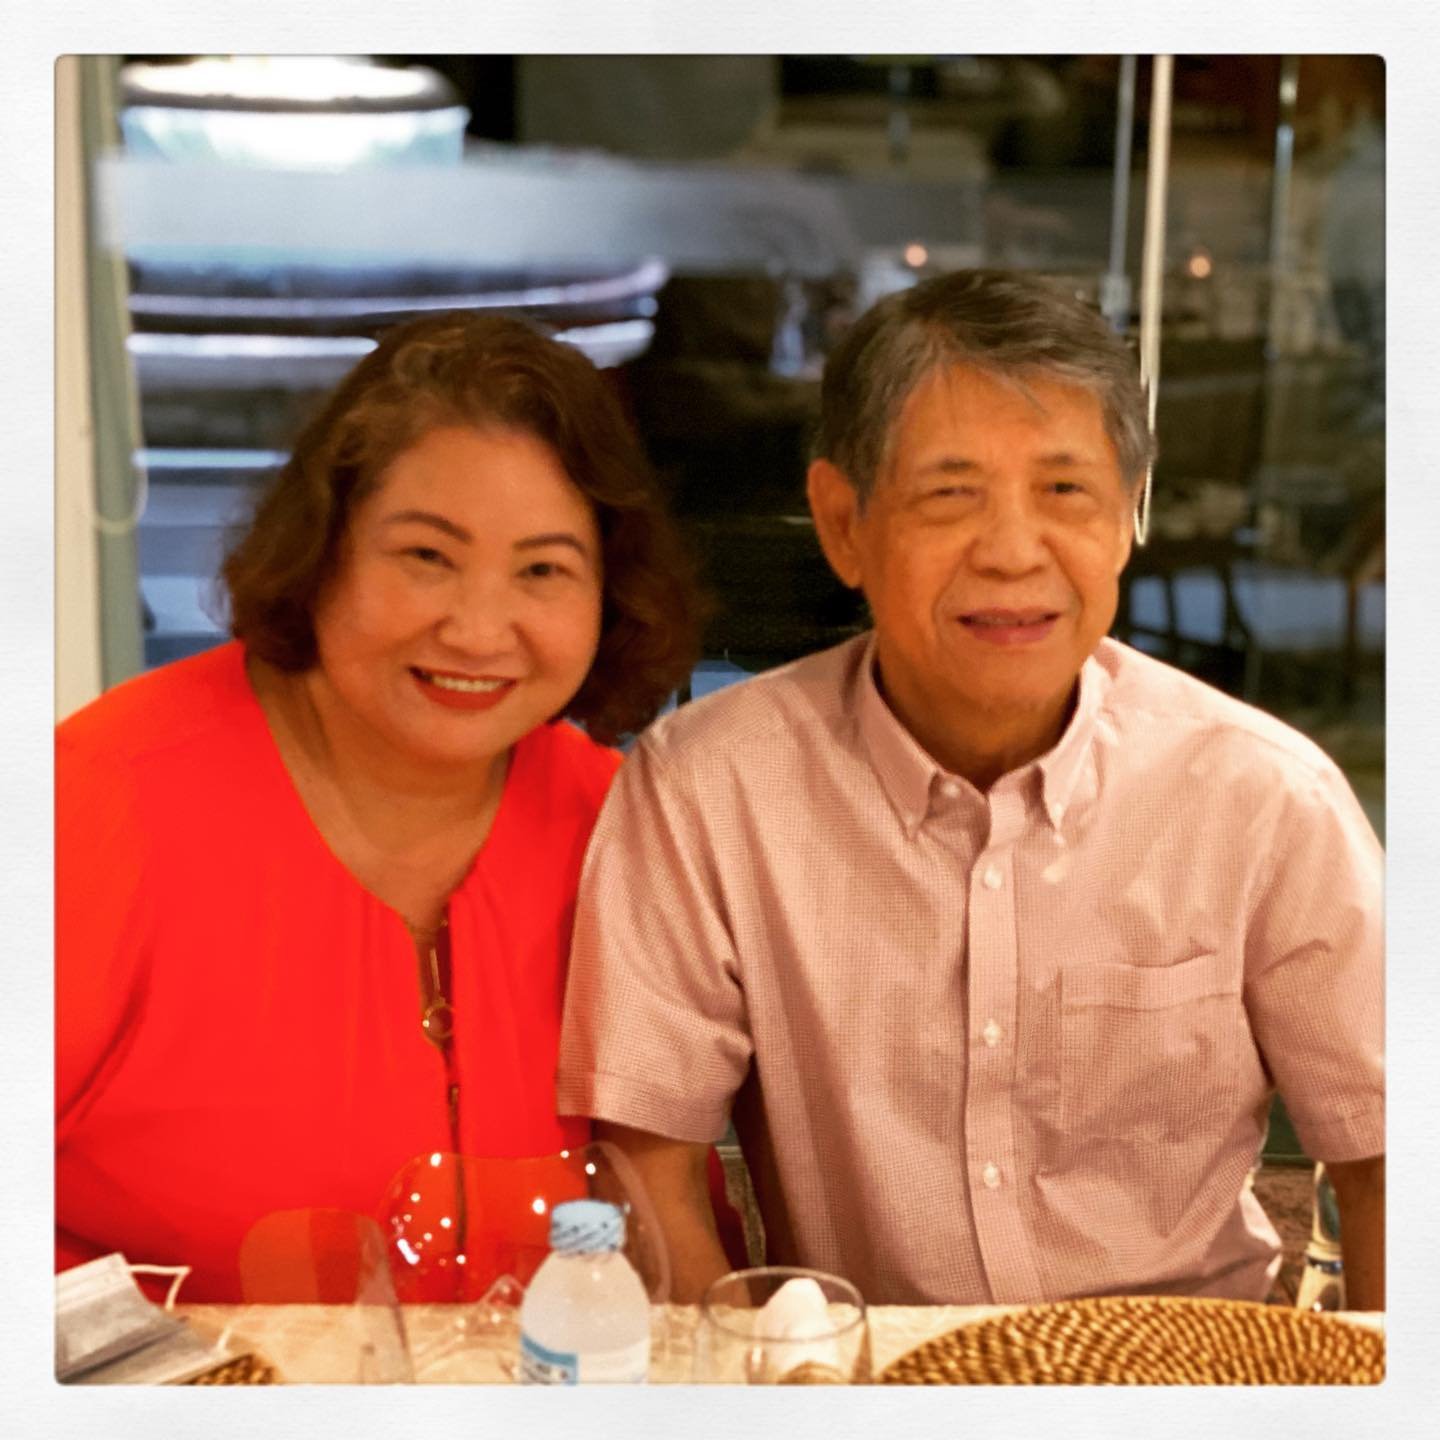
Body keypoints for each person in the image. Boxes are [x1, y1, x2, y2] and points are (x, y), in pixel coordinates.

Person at [557, 269, 1385, 1308]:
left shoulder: (1264, 799)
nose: (1011, 552)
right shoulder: (709, 790)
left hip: (1187, 1368)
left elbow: (1388, 1158)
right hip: (863, 1374)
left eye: (1065, 492)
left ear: (1130, 512)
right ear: (843, 523)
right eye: (950, 495)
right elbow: (650, 1174)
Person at [56, 311, 700, 1300]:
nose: (478, 629)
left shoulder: (622, 830)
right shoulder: (95, 803)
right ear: (322, 551)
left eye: (543, 570)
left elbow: (670, 1235)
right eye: (425, 557)